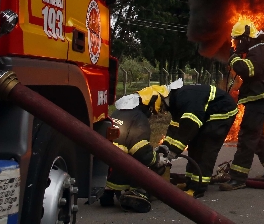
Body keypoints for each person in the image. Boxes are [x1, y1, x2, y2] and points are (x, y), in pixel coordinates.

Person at [220, 20, 264, 191]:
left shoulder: (259, 50)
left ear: (246, 38)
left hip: (259, 100)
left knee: (247, 137)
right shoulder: (255, 49)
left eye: (237, 40)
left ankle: (238, 178)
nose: (235, 44)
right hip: (257, 100)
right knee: (257, 135)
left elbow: (248, 70)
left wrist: (233, 57)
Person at [101, 81, 180, 212]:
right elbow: (141, 151)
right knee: (146, 164)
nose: (156, 112)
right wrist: (158, 159)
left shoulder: (120, 112)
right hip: (122, 164)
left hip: (106, 164)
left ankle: (107, 193)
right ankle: (137, 193)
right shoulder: (139, 118)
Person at [152, 82, 239, 197]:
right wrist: (165, 148)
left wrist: (173, 152)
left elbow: (188, 128)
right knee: (194, 145)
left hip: (222, 112)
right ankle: (189, 182)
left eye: (161, 108)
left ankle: (198, 188)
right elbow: (175, 127)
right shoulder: (175, 100)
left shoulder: (184, 100)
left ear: (163, 99)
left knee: (205, 148)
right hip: (207, 113)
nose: (163, 111)